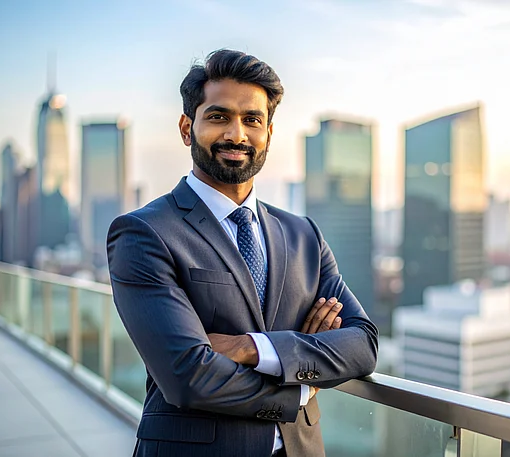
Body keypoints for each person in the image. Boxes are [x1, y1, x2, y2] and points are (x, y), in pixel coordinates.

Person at [107, 49, 379, 457]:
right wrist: (299, 388)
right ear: (187, 128)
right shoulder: (144, 233)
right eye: (218, 117)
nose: (237, 135)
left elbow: (363, 344)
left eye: (252, 120)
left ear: (269, 132)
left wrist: (253, 348)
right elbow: (187, 376)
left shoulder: (303, 234)